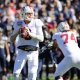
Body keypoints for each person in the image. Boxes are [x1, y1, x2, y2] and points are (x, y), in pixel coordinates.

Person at [9, 6, 44, 80]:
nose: (30, 15)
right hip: (22, 51)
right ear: (23, 14)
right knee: (15, 74)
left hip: (33, 51)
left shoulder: (36, 22)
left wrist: (31, 34)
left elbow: (41, 38)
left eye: (31, 13)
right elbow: (11, 39)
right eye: (28, 13)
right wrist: (17, 33)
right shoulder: (18, 23)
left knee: (32, 74)